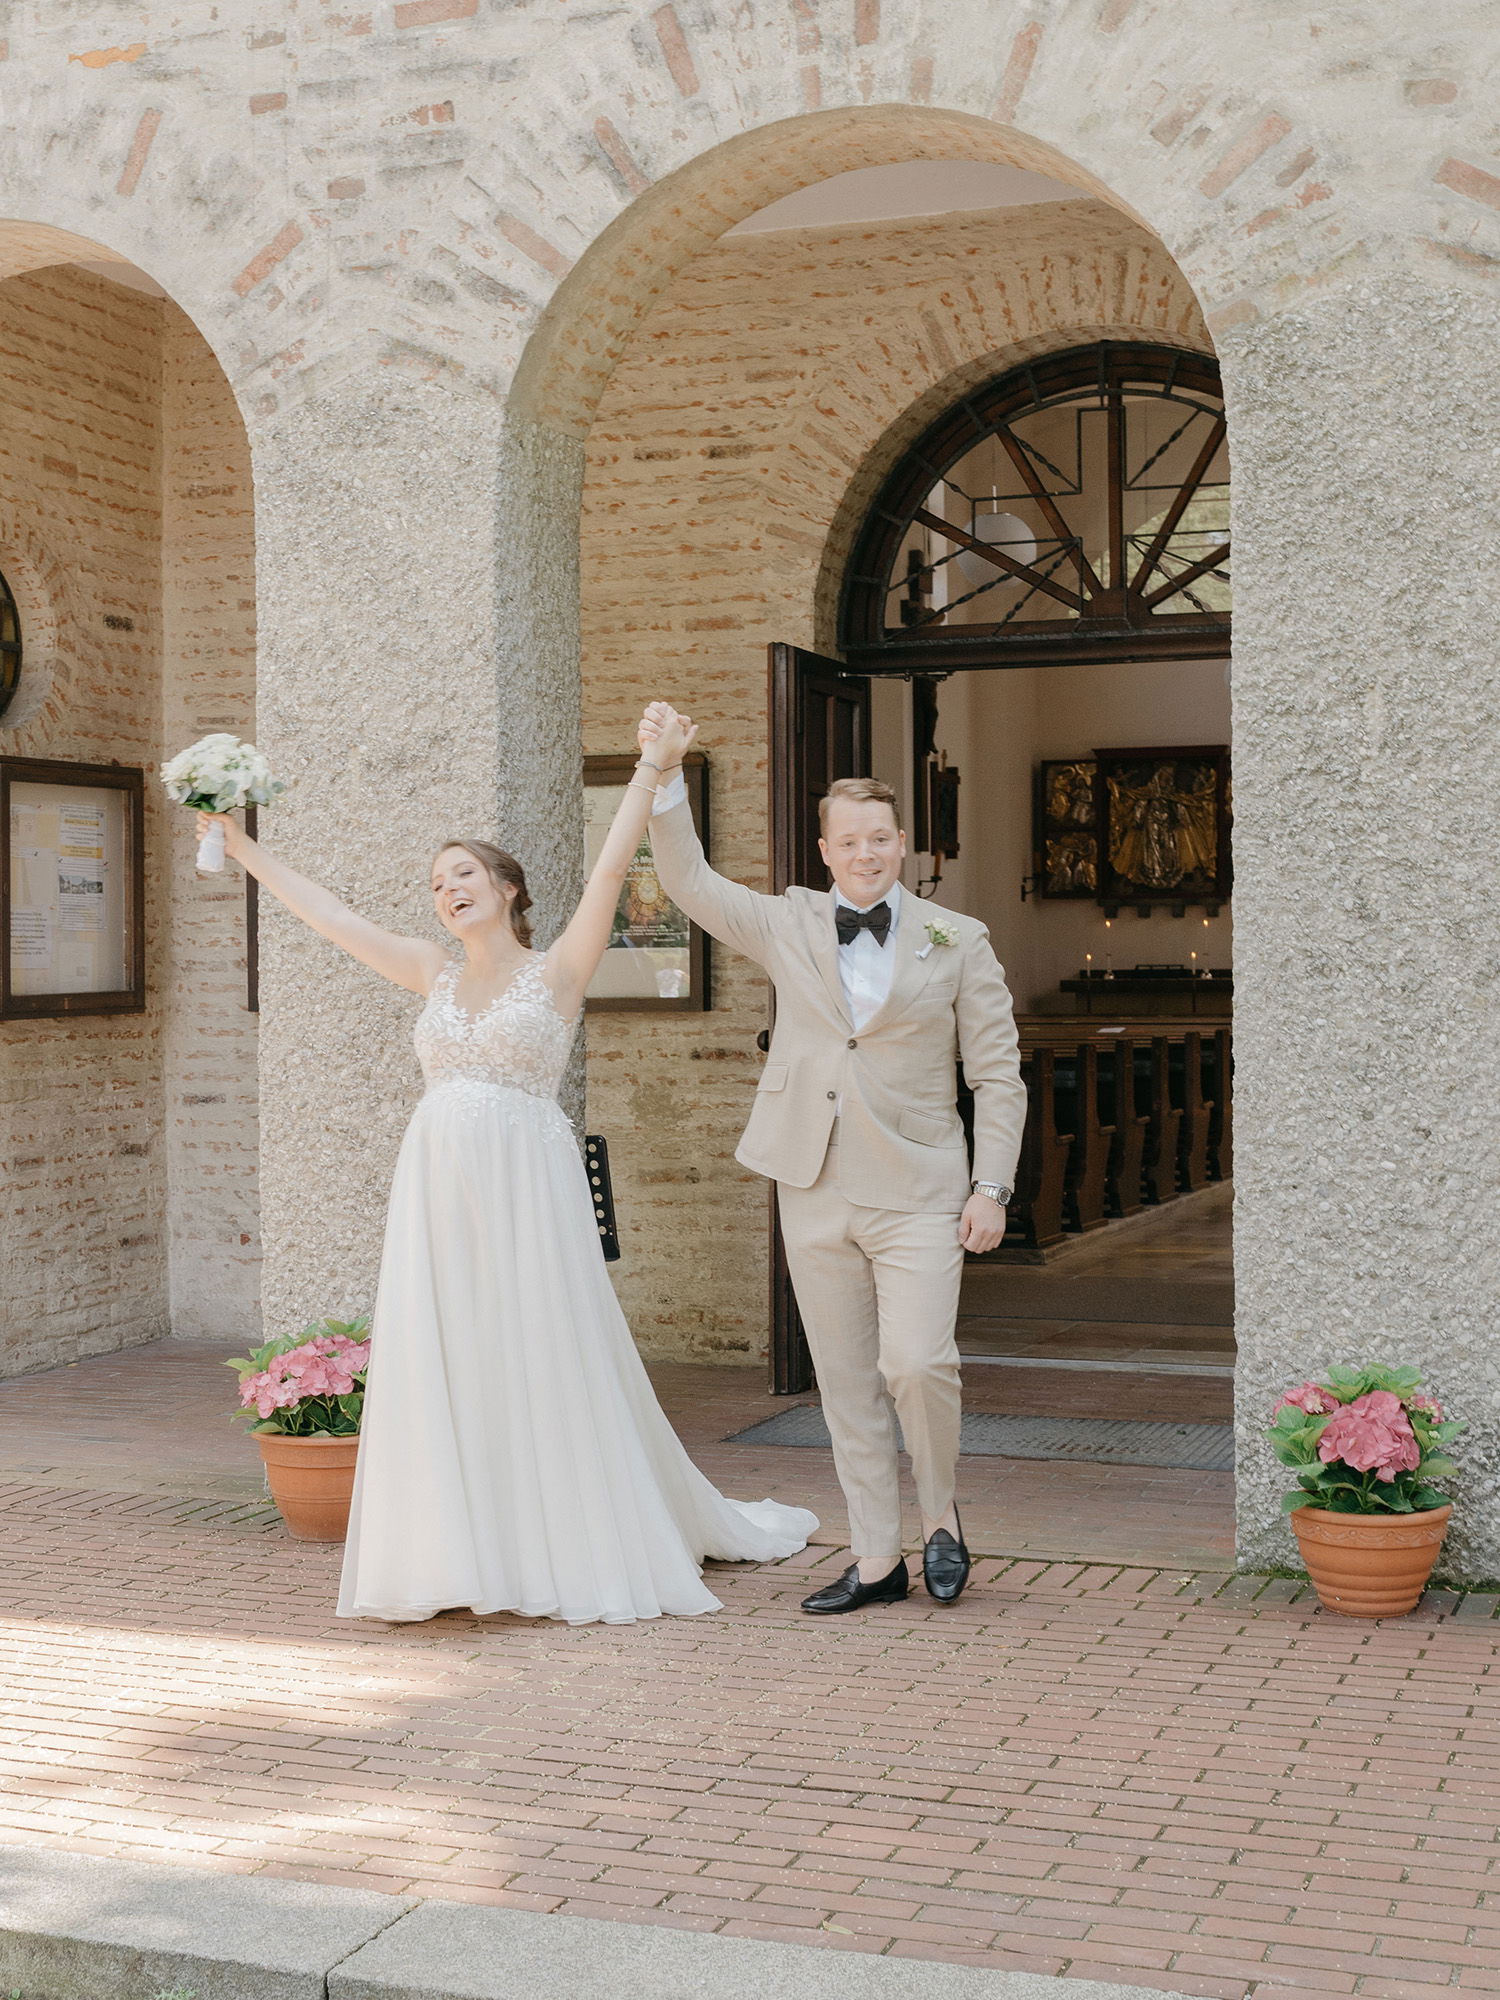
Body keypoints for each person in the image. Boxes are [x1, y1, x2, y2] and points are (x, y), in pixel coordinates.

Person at [196, 709, 815, 1625]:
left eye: (465, 874)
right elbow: (327, 917)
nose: (449, 890)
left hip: (528, 1183)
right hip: (439, 1185)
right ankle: (463, 1547)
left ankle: (566, 1537)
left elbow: (611, 869)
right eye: (438, 882)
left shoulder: (559, 968)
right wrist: (239, 845)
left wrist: (652, 769)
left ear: (508, 889)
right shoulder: (426, 971)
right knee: (455, 1351)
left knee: (541, 1342)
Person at [642, 704, 1026, 1615]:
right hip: (810, 1182)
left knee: (918, 1364)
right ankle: (875, 1558)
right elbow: (689, 881)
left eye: (882, 838)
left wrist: (993, 1187)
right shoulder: (789, 923)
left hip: (923, 1185)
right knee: (847, 1381)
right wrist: (663, 777)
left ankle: (942, 1523)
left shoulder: (956, 939)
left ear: (902, 844)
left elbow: (1000, 1076)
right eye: (850, 840)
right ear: (823, 849)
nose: (867, 853)